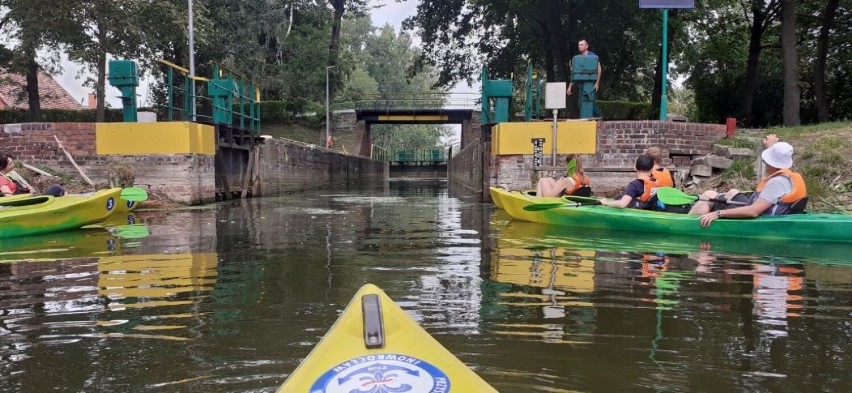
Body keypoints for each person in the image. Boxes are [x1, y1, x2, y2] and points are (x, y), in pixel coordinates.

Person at [689, 134, 807, 227]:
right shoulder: (788, 175)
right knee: (732, 192)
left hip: (757, 219)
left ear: (772, 163)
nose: (765, 163)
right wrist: (772, 147)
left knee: (707, 196)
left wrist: (718, 213)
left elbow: (753, 211)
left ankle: (687, 224)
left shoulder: (777, 182)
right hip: (766, 209)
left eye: (766, 160)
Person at [0, 154, 65, 197]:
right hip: (25, 204)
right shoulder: (1, 179)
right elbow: (9, 196)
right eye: (10, 164)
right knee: (57, 188)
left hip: (27, 200)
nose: (13, 165)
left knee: (59, 188)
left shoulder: (7, 176)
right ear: (1, 167)